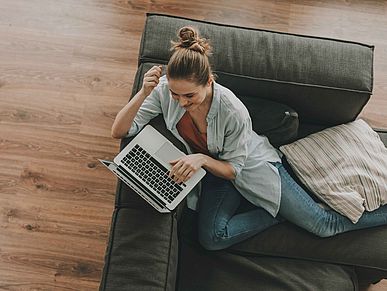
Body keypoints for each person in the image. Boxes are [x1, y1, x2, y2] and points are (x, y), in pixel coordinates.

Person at [111, 26, 387, 251]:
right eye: (175, 94)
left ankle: (292, 211)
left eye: (189, 96)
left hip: (249, 169)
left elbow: (234, 169)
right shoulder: (164, 90)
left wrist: (201, 158)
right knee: (212, 238)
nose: (180, 103)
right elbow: (119, 131)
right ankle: (280, 215)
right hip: (214, 174)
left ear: (209, 83)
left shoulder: (232, 111)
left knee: (323, 224)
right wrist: (142, 93)